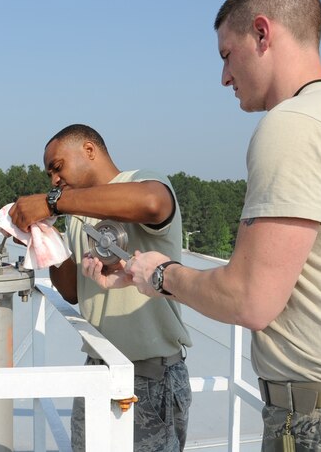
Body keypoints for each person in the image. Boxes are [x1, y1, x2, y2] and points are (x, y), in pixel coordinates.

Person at [94, 0, 321, 450]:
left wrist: (162, 274)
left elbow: (250, 299)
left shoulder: (291, 126)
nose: (224, 76)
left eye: (227, 55)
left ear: (262, 34)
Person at [10, 123, 192, 452]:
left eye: (57, 167)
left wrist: (52, 202)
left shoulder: (141, 181)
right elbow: (72, 291)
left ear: (89, 151)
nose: (53, 180)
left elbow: (152, 203)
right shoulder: (77, 215)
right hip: (97, 371)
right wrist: (42, 239)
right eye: (49, 175)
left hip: (150, 377)